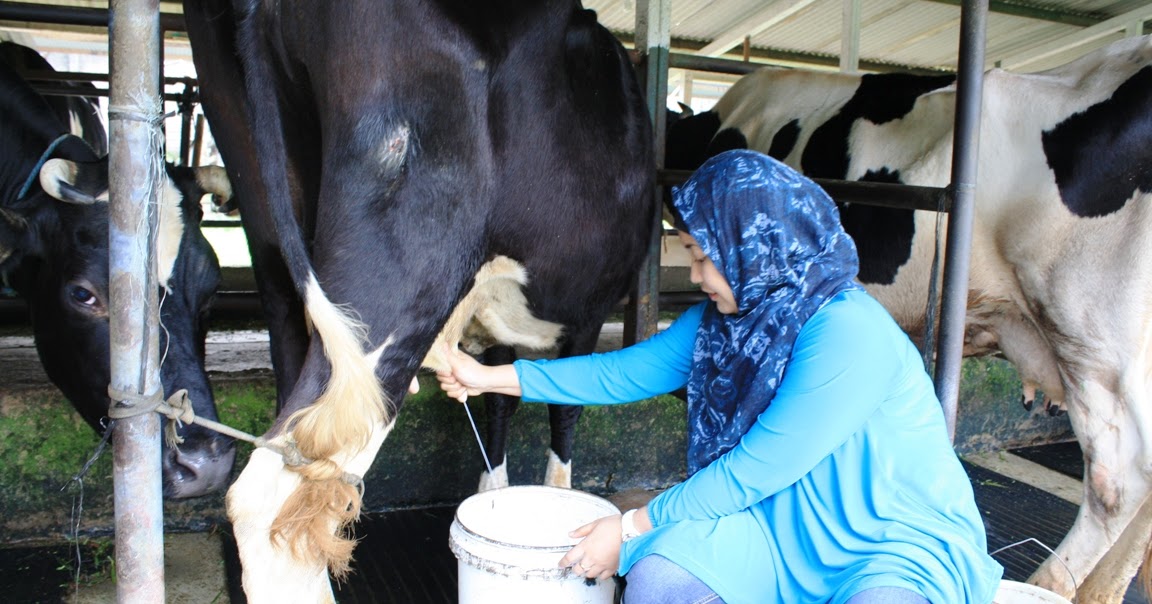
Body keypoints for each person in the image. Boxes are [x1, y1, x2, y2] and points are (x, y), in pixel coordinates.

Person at [436, 149, 1004, 604]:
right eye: (689, 252)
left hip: (887, 542)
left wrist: (630, 528)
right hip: (771, 530)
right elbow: (621, 374)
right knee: (662, 582)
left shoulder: (848, 331)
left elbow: (757, 468)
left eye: (705, 255)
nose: (694, 272)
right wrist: (489, 378)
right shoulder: (723, 320)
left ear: (757, 246)